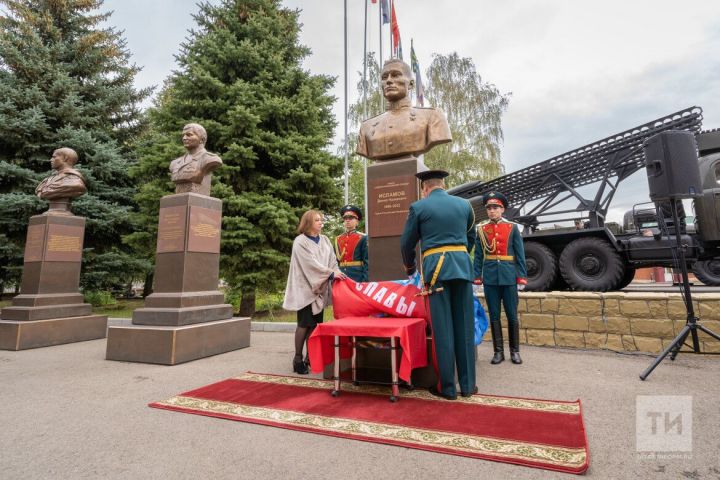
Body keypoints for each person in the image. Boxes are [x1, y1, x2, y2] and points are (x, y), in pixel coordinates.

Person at [400, 169, 477, 400]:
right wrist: (460, 256)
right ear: (442, 184)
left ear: (425, 188)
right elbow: (471, 236)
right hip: (462, 268)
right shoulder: (465, 205)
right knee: (464, 327)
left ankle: (447, 388)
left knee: (443, 330)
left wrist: (410, 267)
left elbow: (407, 243)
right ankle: (468, 386)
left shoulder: (419, 207)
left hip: (436, 271)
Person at [283, 210, 346, 374]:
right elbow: (310, 264)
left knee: (315, 326)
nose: (321, 222)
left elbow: (333, 260)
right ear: (308, 222)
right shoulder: (300, 241)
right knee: (304, 324)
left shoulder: (324, 240)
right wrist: (330, 273)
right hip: (305, 289)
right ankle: (297, 359)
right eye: (317, 220)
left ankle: (309, 358)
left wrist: (336, 272)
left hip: (320, 289)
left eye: (321, 220)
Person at [356, 59, 452, 161]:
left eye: (395, 75)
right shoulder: (366, 127)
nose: (388, 80)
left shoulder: (432, 116)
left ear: (410, 84)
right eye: (384, 77)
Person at [474, 192, 528, 365]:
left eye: (495, 207)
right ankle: (498, 352)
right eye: (489, 208)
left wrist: (521, 277)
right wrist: (476, 276)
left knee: (512, 316)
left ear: (502, 209)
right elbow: (478, 255)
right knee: (495, 316)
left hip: (509, 277)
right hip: (490, 278)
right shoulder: (481, 229)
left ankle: (515, 351)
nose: (492, 211)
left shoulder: (512, 227)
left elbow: (520, 254)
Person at [169, 123, 223, 196]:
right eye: (183, 135)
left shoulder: (210, 159)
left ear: (202, 139)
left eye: (189, 135)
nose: (184, 138)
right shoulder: (175, 163)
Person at [334, 204, 368, 282]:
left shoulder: (363, 238)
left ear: (357, 221)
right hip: (341, 277)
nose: (347, 220)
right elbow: (334, 262)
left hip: (357, 277)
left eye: (351, 218)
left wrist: (365, 281)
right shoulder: (338, 239)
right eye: (345, 218)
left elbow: (367, 262)